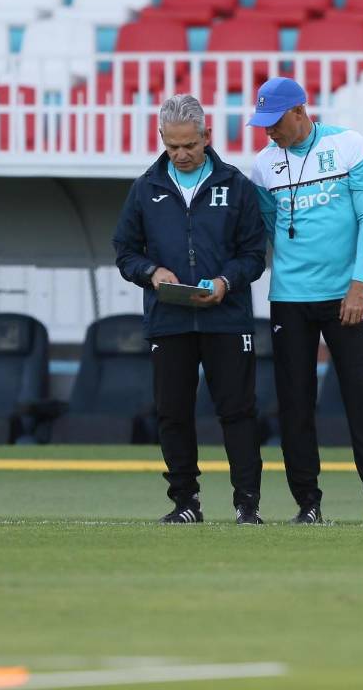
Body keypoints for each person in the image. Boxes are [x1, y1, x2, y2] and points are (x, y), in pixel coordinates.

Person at [247, 77, 363, 526]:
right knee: (295, 404)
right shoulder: (263, 165)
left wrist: (359, 286)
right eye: (263, 124)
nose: (269, 132)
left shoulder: (348, 145)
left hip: (345, 298)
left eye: (274, 122)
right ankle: (308, 505)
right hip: (288, 300)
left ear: (300, 111)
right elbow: (264, 232)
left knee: (361, 398)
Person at [113, 94, 267, 525]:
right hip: (169, 319)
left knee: (237, 412)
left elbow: (254, 255)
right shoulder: (145, 189)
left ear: (206, 137)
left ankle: (247, 504)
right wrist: (151, 272)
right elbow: (125, 251)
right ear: (162, 138)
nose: (181, 154)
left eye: (189, 145)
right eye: (172, 145)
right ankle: (185, 503)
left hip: (227, 317)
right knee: (172, 413)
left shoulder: (236, 186)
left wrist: (225, 282)